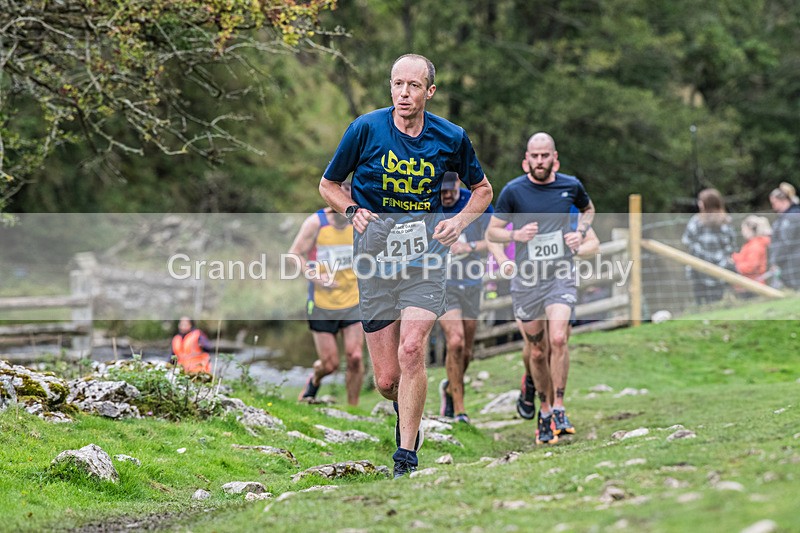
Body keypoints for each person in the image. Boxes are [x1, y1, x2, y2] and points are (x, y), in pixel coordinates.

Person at [319, 53, 493, 478]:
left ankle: (406, 457)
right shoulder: (365, 129)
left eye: (414, 85)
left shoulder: (450, 136)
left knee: (412, 349)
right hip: (374, 262)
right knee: (386, 382)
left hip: (425, 260)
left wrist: (457, 223)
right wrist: (352, 211)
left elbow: (483, 190)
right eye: (398, 84)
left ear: (429, 91)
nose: (404, 93)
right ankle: (406, 410)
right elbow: (328, 184)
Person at [487, 132, 595, 445]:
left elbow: (588, 210)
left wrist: (579, 233)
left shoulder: (570, 186)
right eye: (534, 156)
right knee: (537, 350)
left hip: (560, 274)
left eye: (544, 155)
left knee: (558, 338)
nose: (539, 161)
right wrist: (515, 236)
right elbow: (493, 232)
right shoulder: (513, 191)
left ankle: (559, 407)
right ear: (526, 160)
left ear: (554, 158)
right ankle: (544, 409)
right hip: (527, 280)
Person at [288, 182, 365, 406]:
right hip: (322, 303)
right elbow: (294, 255)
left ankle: (352, 409)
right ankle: (315, 378)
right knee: (329, 364)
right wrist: (316, 277)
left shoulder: (359, 221)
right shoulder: (316, 223)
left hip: (353, 300)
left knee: (355, 357)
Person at [437, 171, 495, 424]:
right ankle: (460, 410)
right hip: (442, 283)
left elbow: (494, 240)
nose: (446, 195)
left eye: (450, 190)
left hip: (471, 281)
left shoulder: (475, 203)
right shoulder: (429, 203)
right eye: (441, 191)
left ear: (458, 184)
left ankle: (450, 387)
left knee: (467, 351)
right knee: (456, 341)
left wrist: (468, 247)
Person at [681, 188, 737, 305]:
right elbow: (731, 244)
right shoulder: (726, 221)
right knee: (719, 299)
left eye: (701, 201)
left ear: (706, 204)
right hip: (721, 266)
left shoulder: (696, 221)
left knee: (702, 302)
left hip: (699, 267)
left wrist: (698, 252)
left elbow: (687, 241)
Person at [767, 182, 800, 290]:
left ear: (783, 200)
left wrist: (775, 261)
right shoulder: (786, 217)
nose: (773, 207)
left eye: (774, 203)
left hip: (793, 263)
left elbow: (785, 242)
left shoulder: (791, 217)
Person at [731, 215, 772, 290]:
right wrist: (733, 257)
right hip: (748, 284)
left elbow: (751, 266)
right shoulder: (751, 244)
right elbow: (743, 258)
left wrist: (734, 267)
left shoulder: (755, 245)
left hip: (753, 285)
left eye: (743, 229)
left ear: (749, 229)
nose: (742, 232)